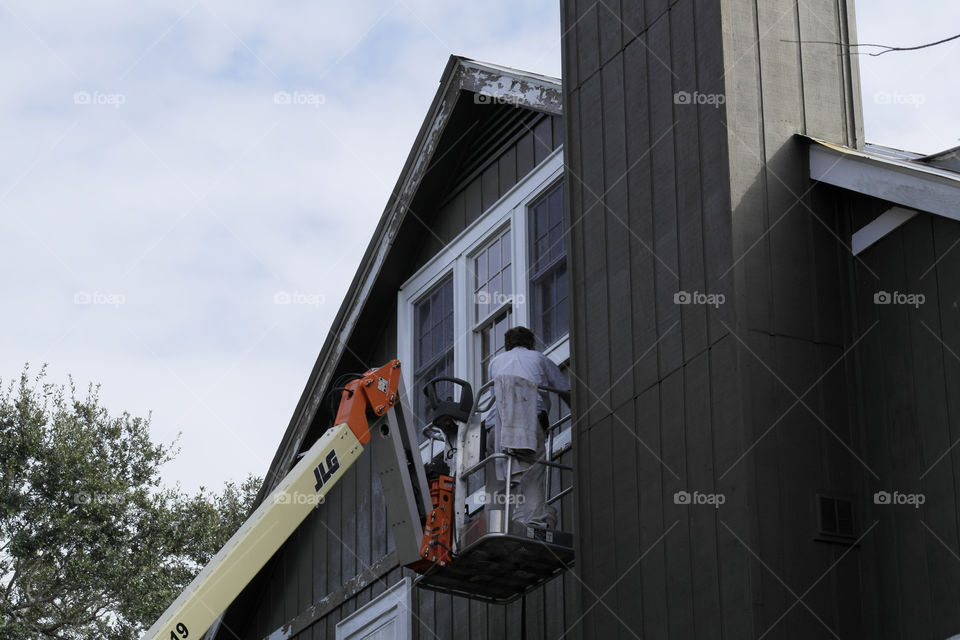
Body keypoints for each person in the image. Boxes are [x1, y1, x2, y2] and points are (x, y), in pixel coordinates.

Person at [485, 326, 570, 528]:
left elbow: (493, 398)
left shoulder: (495, 362)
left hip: (496, 425)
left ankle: (495, 524)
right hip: (529, 420)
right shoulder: (539, 358)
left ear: (507, 346)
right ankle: (534, 521)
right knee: (533, 473)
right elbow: (564, 389)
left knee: (497, 480)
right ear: (531, 343)